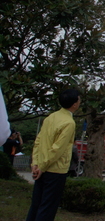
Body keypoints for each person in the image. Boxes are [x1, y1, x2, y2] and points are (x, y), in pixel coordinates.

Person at [26, 88, 80, 221]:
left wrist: (36, 164)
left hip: (41, 166)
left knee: (36, 204)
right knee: (48, 207)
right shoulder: (69, 123)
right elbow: (58, 149)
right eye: (79, 99)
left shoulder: (51, 117)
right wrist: (42, 167)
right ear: (74, 104)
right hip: (55, 169)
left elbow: (38, 141)